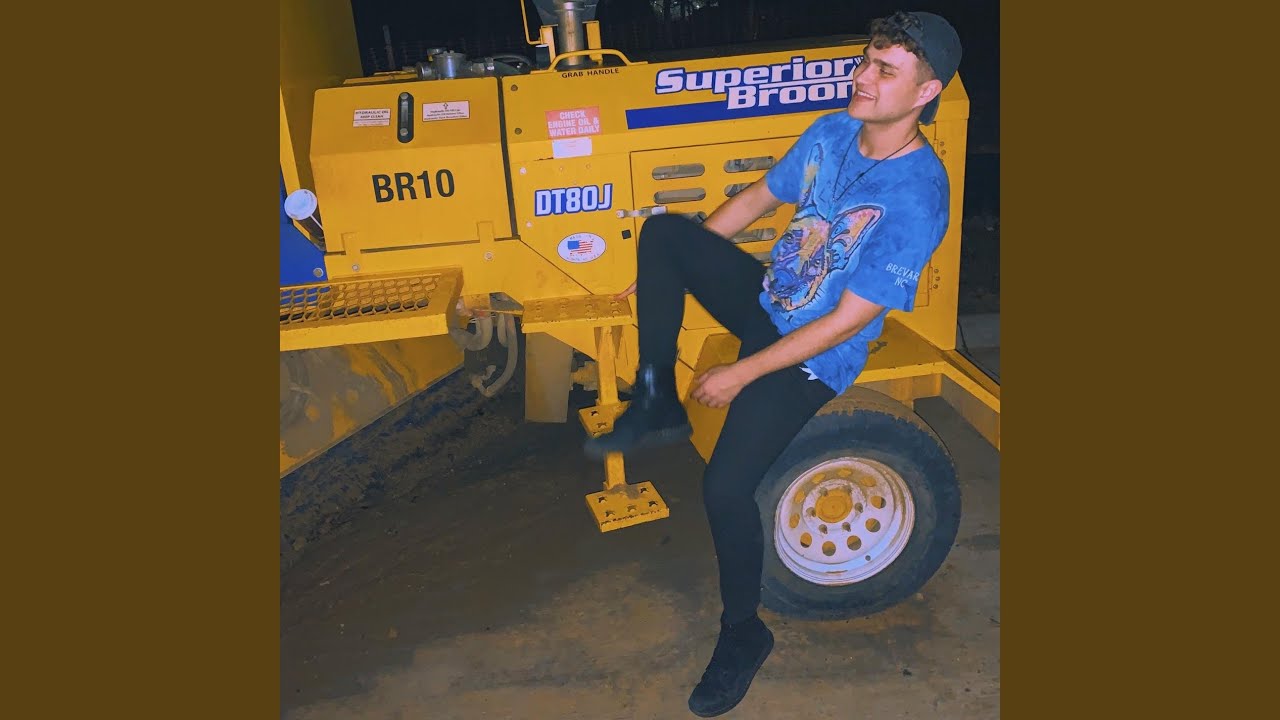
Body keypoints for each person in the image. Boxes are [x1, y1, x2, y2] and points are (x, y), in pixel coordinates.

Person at [584, 10, 963, 717]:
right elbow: (759, 198)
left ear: (925, 92)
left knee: (725, 489)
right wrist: (674, 264)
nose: (862, 77)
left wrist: (742, 373)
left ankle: (743, 633)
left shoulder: (918, 195)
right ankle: (656, 396)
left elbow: (847, 321)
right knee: (663, 236)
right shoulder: (831, 133)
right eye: (865, 60)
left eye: (884, 70)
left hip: (816, 352)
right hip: (771, 302)